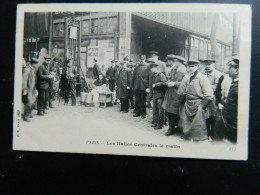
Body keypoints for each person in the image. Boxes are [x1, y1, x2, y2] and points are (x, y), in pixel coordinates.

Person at [178, 60, 213, 141]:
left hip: (198, 105)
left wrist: (201, 107)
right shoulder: (187, 77)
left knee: (198, 131)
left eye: (192, 66)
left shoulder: (202, 78)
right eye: (189, 66)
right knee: (187, 128)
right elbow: (182, 91)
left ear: (197, 67)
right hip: (188, 105)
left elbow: (209, 95)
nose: (190, 68)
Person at [214, 57, 239, 143]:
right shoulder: (235, 82)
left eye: (230, 67)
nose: (228, 69)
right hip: (226, 121)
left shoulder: (239, 86)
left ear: (237, 70)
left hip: (231, 124)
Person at [162, 55, 187, 136]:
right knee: (169, 111)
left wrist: (174, 83)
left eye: (176, 62)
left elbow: (185, 83)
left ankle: (181, 129)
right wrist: (168, 81)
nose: (174, 63)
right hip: (170, 94)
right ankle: (171, 128)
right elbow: (170, 78)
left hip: (178, 94)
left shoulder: (184, 71)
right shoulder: (173, 69)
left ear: (180, 63)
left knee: (179, 112)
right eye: (174, 61)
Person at [203, 59, 222, 140]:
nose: (207, 66)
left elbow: (217, 88)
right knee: (205, 116)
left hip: (214, 98)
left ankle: (213, 134)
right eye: (206, 65)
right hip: (205, 97)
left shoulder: (218, 75)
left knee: (213, 116)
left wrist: (206, 87)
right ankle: (206, 134)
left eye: (209, 65)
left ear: (214, 65)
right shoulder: (204, 73)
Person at [149, 60, 168, 130]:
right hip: (155, 95)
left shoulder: (161, 75)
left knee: (161, 110)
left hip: (160, 95)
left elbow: (165, 83)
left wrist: (156, 85)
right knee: (155, 109)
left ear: (156, 68)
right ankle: (156, 122)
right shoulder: (153, 75)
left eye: (152, 68)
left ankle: (161, 124)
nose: (151, 69)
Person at [131, 55, 149, 119]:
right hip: (137, 86)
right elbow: (133, 77)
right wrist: (132, 85)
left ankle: (143, 113)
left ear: (145, 60)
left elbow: (148, 77)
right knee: (137, 101)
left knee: (143, 101)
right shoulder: (136, 67)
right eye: (141, 60)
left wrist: (147, 87)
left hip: (143, 87)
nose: (141, 61)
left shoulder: (147, 67)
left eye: (143, 59)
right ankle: (137, 112)